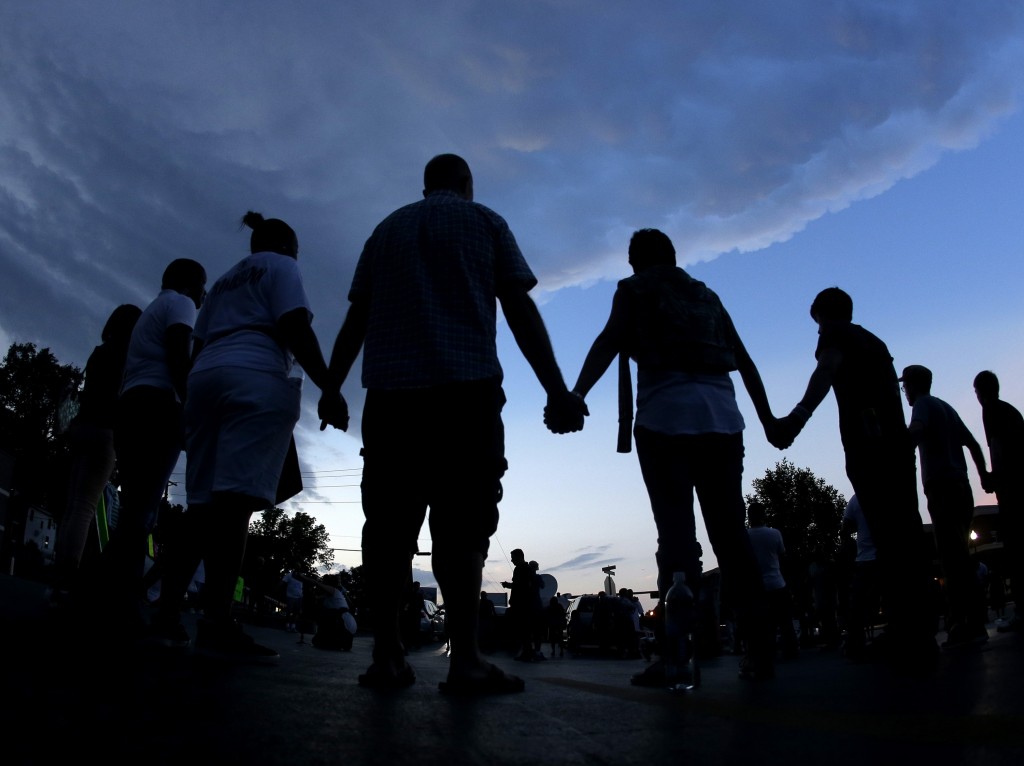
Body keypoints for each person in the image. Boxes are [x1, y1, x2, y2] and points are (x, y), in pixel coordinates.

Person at [319, 153, 585, 693]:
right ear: (465, 183)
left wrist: (330, 388)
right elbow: (518, 308)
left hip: (391, 397)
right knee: (462, 529)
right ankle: (465, 661)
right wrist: (557, 390)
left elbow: (357, 319)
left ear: (425, 185)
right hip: (466, 395)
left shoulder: (385, 230)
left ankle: (388, 657)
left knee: (388, 529)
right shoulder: (485, 221)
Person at [568, 228, 779, 685]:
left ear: (634, 261)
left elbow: (608, 341)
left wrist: (577, 393)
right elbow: (743, 360)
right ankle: (761, 651)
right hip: (723, 421)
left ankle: (677, 655)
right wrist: (770, 420)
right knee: (732, 538)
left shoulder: (634, 289)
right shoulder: (706, 294)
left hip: (665, 422)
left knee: (677, 540)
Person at [150, 211, 346, 659]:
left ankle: (164, 615)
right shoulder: (282, 267)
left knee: (200, 504)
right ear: (288, 246)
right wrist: (329, 388)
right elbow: (294, 325)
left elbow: (196, 345)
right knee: (235, 504)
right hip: (253, 376)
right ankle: (218, 622)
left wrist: (190, 401)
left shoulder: (220, 284)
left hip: (205, 380)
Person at [775, 287, 938, 673]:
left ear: (825, 316)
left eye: (817, 326)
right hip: (897, 447)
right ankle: (920, 627)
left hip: (870, 446)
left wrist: (797, 417)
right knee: (908, 535)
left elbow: (826, 370)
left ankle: (904, 630)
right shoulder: (876, 342)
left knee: (886, 538)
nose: (817, 335)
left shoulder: (837, 335)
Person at [78, 259, 206, 633]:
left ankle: (108, 595)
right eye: (202, 286)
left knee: (136, 509)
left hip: (131, 408)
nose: (202, 296)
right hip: (156, 407)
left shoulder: (150, 311)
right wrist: (191, 407)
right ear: (190, 283)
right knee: (141, 513)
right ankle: (106, 597)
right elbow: (178, 355)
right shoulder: (180, 304)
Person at [53, 304, 142, 600]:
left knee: (72, 505)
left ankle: (58, 573)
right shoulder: (129, 360)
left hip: (81, 428)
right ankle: (68, 577)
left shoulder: (98, 353)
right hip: (106, 433)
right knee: (86, 507)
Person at [900, 364, 989, 647]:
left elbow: (916, 430)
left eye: (906, 387)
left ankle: (964, 625)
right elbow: (973, 444)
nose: (905, 392)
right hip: (962, 487)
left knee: (952, 560)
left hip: (942, 488)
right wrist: (983, 475)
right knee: (961, 555)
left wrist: (900, 450)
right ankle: (973, 622)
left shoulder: (923, 406)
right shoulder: (947, 408)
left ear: (913, 386)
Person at [973, 370, 1024, 633]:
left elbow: (996, 446)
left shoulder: (990, 410)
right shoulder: (1011, 411)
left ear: (981, 391)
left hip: (1011, 488)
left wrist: (993, 477)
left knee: (1015, 548)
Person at [746, 501, 799, 660]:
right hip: (777, 582)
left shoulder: (745, 536)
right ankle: (790, 650)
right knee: (785, 621)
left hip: (757, 586)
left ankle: (764, 652)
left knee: (762, 624)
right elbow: (782, 557)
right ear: (764, 515)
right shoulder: (774, 533)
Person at [841, 494, 882, 661]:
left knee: (857, 605)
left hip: (865, 559)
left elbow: (846, 528)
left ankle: (855, 643)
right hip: (884, 557)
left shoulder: (855, 499)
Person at [282, 568, 305, 633]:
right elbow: (283, 582)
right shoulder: (289, 575)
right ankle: (287, 626)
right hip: (290, 596)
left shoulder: (302, 576)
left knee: (296, 612)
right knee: (289, 612)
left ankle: (293, 627)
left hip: (299, 597)